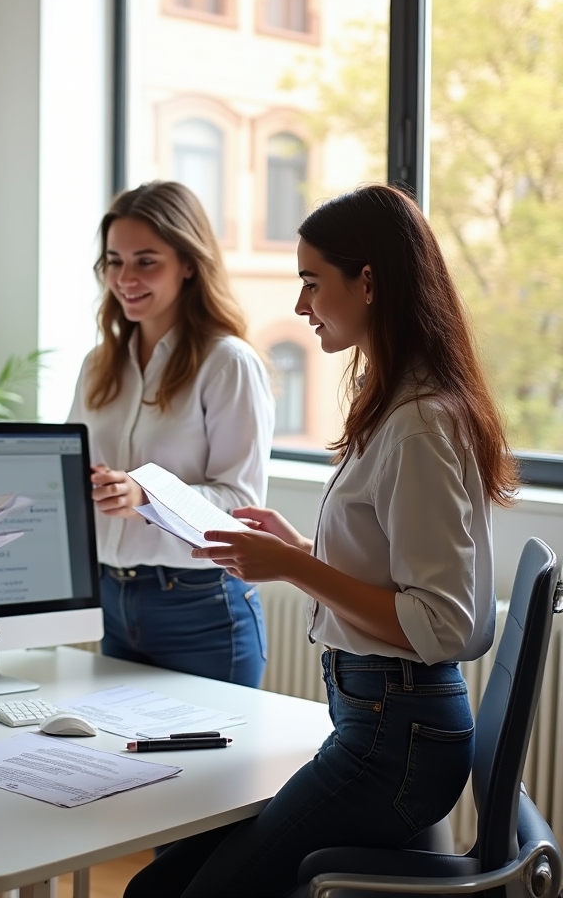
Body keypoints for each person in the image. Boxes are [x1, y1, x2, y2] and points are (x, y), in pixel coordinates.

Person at [124, 183, 516, 898]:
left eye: (312, 282)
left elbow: (441, 623)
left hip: (393, 745)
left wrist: (295, 569)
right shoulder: (395, 401)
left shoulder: (420, 423)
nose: (301, 305)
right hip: (375, 727)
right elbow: (395, 569)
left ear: (367, 281)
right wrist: (300, 548)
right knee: (157, 887)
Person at [68, 181, 275, 687]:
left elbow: (242, 504)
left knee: (211, 768)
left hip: (201, 610)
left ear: (188, 263)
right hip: (113, 602)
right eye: (114, 261)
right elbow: (70, 469)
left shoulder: (228, 364)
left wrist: (146, 494)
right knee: (119, 764)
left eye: (146, 261)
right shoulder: (98, 365)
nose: (125, 278)